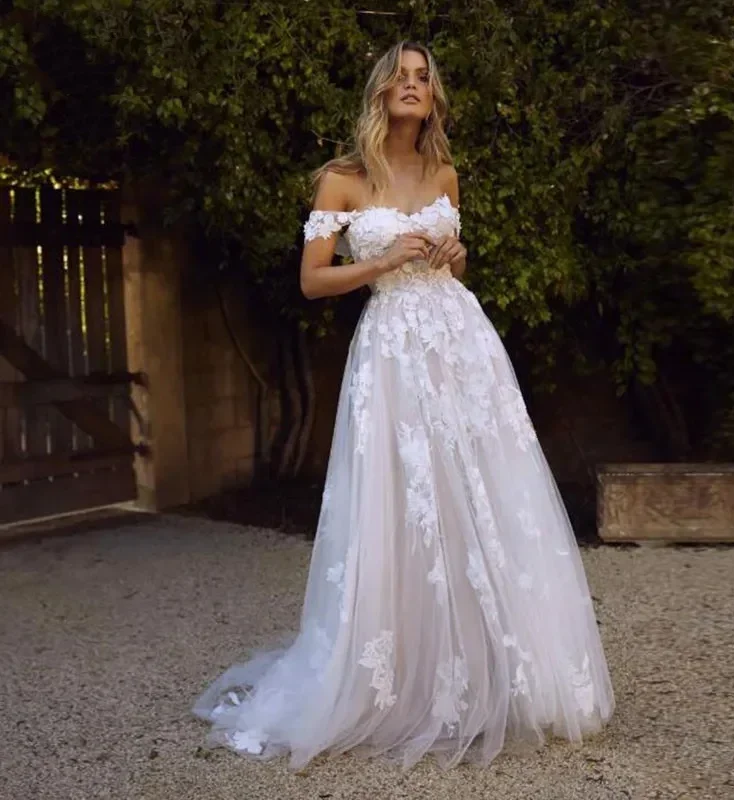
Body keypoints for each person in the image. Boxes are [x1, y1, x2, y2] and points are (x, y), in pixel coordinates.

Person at [193, 40, 614, 771]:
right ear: (382, 91)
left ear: (433, 96)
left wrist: (454, 259)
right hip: (391, 352)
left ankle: (493, 668)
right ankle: (398, 675)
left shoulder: (445, 171)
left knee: (481, 493)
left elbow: (458, 258)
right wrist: (384, 261)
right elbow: (312, 281)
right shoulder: (343, 180)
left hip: (463, 347)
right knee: (401, 501)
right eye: (402, 77)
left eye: (425, 78)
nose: (413, 86)